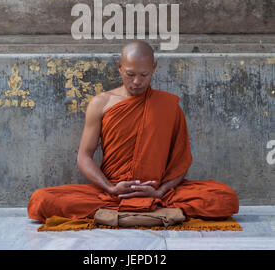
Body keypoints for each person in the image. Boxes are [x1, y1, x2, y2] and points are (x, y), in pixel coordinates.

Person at [27, 41, 239, 224]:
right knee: (41, 200)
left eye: (144, 75)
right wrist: (110, 188)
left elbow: (180, 163)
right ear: (119, 67)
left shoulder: (169, 106)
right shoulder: (101, 103)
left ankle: (127, 213)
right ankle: (155, 214)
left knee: (225, 197)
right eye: (130, 74)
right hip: (112, 192)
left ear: (154, 68)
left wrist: (159, 191)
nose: (137, 81)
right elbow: (84, 156)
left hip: (159, 192)